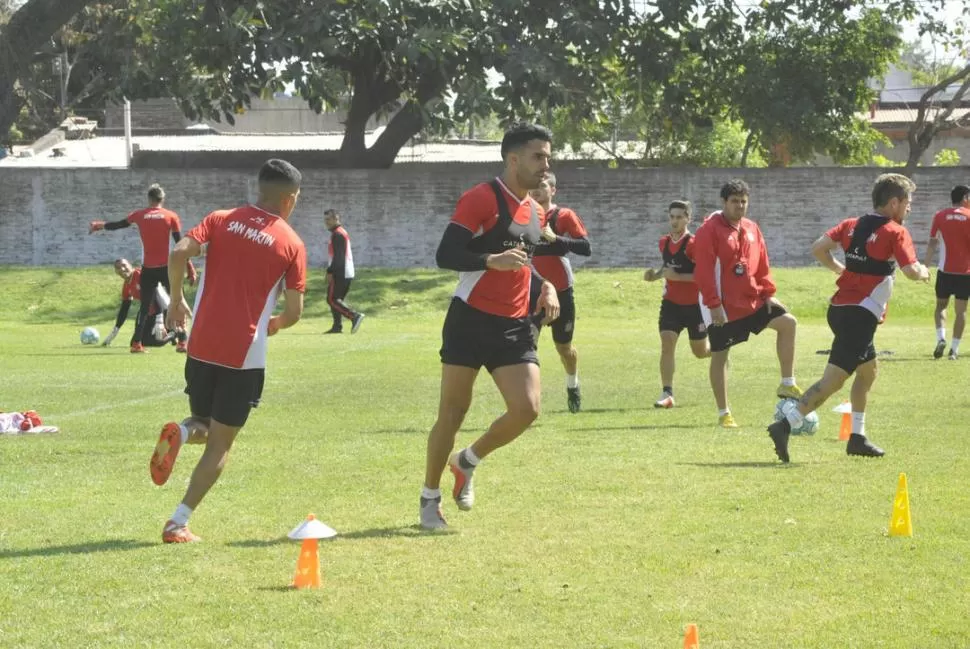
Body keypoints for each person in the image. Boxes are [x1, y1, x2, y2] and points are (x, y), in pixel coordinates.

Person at [148, 159, 307, 543]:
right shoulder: (292, 243)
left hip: (200, 345)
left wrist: (175, 302)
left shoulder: (220, 218)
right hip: (244, 353)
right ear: (290, 199)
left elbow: (178, 253)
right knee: (221, 443)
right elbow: (295, 311)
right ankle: (178, 522)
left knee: (204, 423)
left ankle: (184, 433)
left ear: (259, 189)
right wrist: (277, 324)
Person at [420, 122, 560, 530]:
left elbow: (523, 262)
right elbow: (446, 254)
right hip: (470, 319)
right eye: (538, 156)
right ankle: (429, 499)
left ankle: (466, 461)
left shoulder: (535, 211)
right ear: (512, 158)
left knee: (527, 409)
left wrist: (545, 285)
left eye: (548, 157)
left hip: (513, 324)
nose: (545, 164)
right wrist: (488, 261)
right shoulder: (481, 198)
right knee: (452, 412)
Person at [767, 173, 930, 462]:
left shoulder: (851, 224)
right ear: (894, 203)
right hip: (860, 315)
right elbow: (910, 270)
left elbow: (819, 248)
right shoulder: (895, 231)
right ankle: (786, 423)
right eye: (907, 203)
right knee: (833, 381)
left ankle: (857, 437)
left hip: (841, 309)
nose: (909, 209)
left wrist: (840, 269)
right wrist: (925, 272)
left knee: (868, 372)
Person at [693, 179, 802, 428]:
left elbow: (762, 263)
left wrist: (768, 293)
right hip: (722, 306)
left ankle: (787, 384)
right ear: (724, 202)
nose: (740, 206)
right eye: (734, 201)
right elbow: (704, 272)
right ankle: (724, 413)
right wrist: (713, 304)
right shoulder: (709, 230)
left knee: (788, 323)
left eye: (743, 201)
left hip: (752, 301)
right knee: (720, 355)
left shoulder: (752, 228)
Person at [89, 184, 197, 352]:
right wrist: (190, 268)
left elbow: (118, 224)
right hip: (166, 268)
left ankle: (136, 344)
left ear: (149, 199)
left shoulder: (139, 215)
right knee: (177, 301)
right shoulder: (171, 216)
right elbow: (180, 244)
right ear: (162, 199)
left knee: (145, 307)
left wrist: (100, 225)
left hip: (148, 269)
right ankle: (183, 341)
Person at [528, 172, 592, 413]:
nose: (536, 190)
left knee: (564, 348)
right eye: (534, 186)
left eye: (542, 186)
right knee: (527, 346)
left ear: (553, 190)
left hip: (562, 292)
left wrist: (556, 239)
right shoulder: (524, 216)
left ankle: (572, 385)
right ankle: (527, 402)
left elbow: (586, 248)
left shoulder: (564, 215)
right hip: (532, 291)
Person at [643, 200, 710, 408]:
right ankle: (667, 393)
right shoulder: (663, 242)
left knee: (700, 352)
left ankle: (719, 350)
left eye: (679, 217)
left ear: (688, 219)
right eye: (672, 216)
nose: (675, 221)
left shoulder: (694, 244)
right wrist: (654, 276)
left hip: (694, 307)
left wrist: (679, 277)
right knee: (667, 345)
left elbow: (704, 276)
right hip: (670, 304)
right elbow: (668, 267)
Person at [924, 184, 970, 360]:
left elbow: (932, 242)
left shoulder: (940, 215)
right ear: (965, 197)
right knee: (961, 311)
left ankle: (941, 338)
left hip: (945, 271)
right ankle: (954, 350)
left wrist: (925, 266)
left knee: (941, 307)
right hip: (965, 273)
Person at [101, 258, 187, 351]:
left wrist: (159, 319)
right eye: (118, 268)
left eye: (124, 265)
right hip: (147, 313)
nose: (122, 269)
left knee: (154, 341)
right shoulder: (126, 285)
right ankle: (170, 334)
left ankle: (174, 333)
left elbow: (157, 293)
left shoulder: (140, 275)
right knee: (136, 341)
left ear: (130, 265)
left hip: (161, 309)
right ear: (116, 272)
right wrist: (115, 331)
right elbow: (124, 309)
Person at [323, 209, 365, 334]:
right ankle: (337, 326)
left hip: (341, 272)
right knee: (337, 300)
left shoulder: (338, 234)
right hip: (345, 271)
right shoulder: (338, 233)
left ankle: (354, 316)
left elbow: (339, 257)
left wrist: (330, 272)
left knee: (332, 299)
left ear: (336, 218)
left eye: (329, 219)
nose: (327, 222)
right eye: (325, 220)